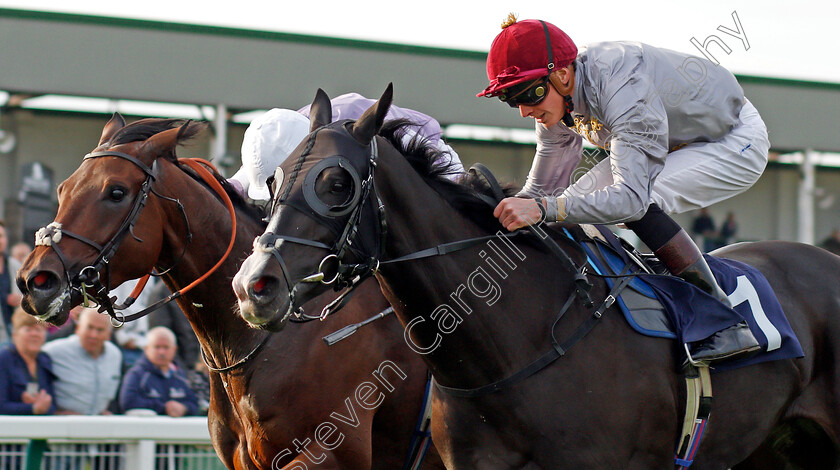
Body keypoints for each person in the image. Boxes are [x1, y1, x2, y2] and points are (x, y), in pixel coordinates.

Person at [479, 15, 770, 365]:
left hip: (732, 141)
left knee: (633, 204)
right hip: (674, 139)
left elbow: (629, 201)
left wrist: (543, 210)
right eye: (511, 99)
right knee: (575, 203)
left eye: (528, 94)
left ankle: (725, 322)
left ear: (562, 74)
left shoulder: (622, 87)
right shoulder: (559, 101)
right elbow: (541, 193)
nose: (524, 110)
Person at [228, 93, 464, 201]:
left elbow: (441, 165)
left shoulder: (364, 119)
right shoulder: (284, 131)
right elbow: (247, 175)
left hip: (432, 155)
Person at [42, 307, 122, 415]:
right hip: (62, 425)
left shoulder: (115, 355)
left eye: (100, 330)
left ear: (109, 335)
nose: (94, 335)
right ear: (78, 328)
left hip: (97, 425)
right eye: (89, 327)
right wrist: (55, 412)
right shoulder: (53, 351)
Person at [119, 326, 198, 417]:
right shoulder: (136, 374)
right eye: (157, 347)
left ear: (174, 349)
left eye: (166, 347)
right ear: (146, 349)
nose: (161, 352)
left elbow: (195, 404)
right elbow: (128, 403)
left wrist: (184, 408)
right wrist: (164, 407)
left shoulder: (181, 376)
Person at [0, 308, 55, 415]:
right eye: (28, 329)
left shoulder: (44, 360)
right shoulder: (4, 359)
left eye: (39, 329)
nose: (34, 334)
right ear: (15, 334)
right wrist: (32, 408)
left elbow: (52, 405)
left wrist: (44, 405)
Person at [146, 279, 199, 369]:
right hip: (176, 366)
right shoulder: (161, 292)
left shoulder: (193, 286)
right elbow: (161, 338)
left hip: (196, 362)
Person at [0, 221, 23, 343]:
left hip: (15, 330)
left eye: (1, 236)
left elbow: (29, 294)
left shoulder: (15, 265)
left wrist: (21, 300)